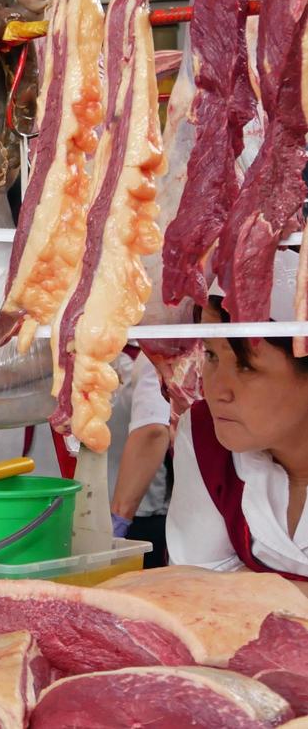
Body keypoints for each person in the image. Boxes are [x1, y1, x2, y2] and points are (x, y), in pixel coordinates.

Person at [167, 251, 308, 590]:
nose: (217, 390)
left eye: (246, 366)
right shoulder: (204, 434)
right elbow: (197, 587)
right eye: (212, 355)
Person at [108, 353, 171, 567]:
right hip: (116, 508)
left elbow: (153, 431)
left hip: (141, 513)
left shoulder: (155, 352)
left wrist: (117, 523)